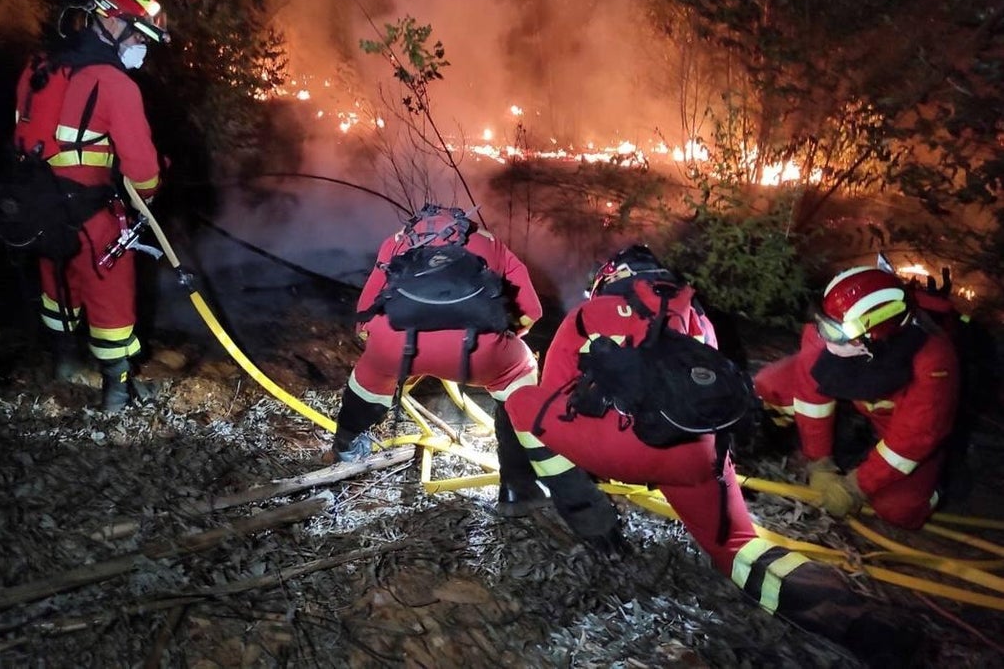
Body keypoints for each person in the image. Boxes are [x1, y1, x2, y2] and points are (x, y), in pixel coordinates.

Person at [501, 247, 921, 663]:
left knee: (522, 400)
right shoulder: (696, 312)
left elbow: (557, 390)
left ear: (609, 279)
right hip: (694, 454)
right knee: (737, 546)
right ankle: (856, 622)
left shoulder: (586, 315)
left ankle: (584, 513)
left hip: (615, 449)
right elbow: (713, 396)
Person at [329, 203, 547, 516]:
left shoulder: (396, 241)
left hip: (398, 343)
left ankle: (345, 448)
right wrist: (506, 337)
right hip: (477, 350)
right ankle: (518, 490)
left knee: (370, 377)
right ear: (461, 225)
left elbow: (366, 310)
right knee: (520, 372)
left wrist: (377, 344)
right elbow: (532, 311)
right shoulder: (490, 241)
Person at [14, 0, 170, 412]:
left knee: (57, 285)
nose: (142, 45)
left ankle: (63, 366)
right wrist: (151, 190)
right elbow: (143, 170)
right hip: (91, 216)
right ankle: (116, 394)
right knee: (111, 299)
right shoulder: (115, 84)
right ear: (111, 21)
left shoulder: (38, 65)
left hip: (37, 209)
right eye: (138, 34)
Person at [754, 266, 961, 529]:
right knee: (770, 386)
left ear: (871, 341)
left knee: (898, 510)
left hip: (895, 416)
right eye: (822, 324)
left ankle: (934, 490)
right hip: (860, 396)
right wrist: (819, 462)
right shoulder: (826, 330)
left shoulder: (933, 363)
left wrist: (855, 487)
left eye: (835, 333)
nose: (823, 337)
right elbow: (810, 397)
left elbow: (912, 440)